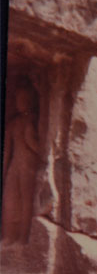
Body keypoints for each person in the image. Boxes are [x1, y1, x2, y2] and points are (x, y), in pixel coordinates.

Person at [2, 81, 40, 245]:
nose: (20, 102)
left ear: (30, 101)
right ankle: (9, 235)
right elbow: (6, 151)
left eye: (24, 99)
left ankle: (23, 237)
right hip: (16, 164)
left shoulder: (33, 119)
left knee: (26, 201)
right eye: (18, 99)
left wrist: (30, 138)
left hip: (29, 165)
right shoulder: (13, 123)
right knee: (9, 200)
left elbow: (38, 147)